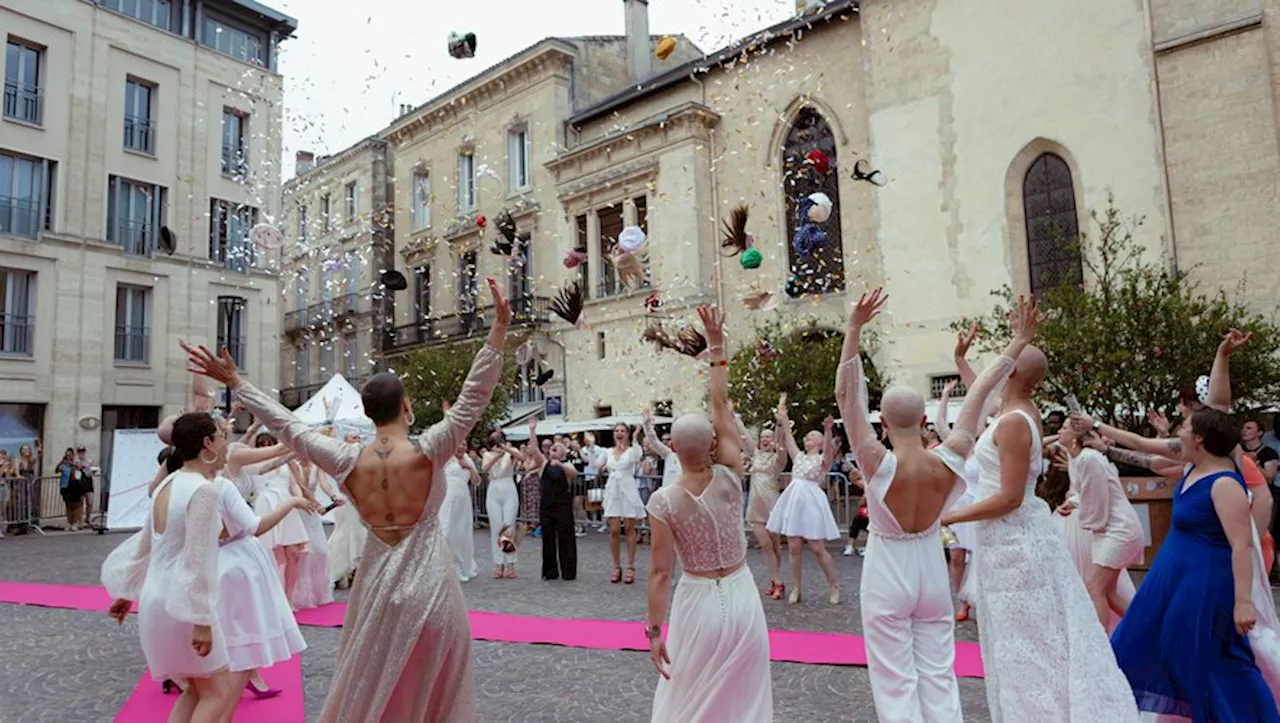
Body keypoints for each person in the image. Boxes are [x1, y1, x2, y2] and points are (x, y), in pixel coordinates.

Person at [182, 277, 510, 722]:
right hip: (432, 583)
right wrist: (497, 331)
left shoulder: (346, 459)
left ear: (368, 413)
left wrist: (238, 381)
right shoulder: (433, 447)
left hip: (376, 584)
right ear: (407, 406)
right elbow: (475, 396)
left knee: (379, 687)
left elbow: (289, 427)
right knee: (436, 690)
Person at [837, 288, 1039, 723]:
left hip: (888, 567)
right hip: (930, 563)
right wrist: (1017, 341)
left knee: (894, 676)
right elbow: (981, 396)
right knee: (939, 670)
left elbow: (846, 398)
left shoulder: (876, 461)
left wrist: (853, 329)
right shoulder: (951, 455)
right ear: (926, 421)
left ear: (884, 423)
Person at [941, 297, 1140, 722]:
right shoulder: (1012, 409)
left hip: (1016, 541)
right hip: (1006, 539)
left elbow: (1011, 497)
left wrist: (952, 515)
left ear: (1009, 372)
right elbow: (982, 392)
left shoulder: (1014, 420)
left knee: (1027, 640)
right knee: (1020, 637)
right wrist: (962, 361)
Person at [1110, 408, 1280, 721]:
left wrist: (1243, 602)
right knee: (1180, 649)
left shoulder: (1225, 483)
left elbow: (1241, 545)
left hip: (1206, 584)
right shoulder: (1191, 468)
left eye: (1185, 426)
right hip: (1178, 579)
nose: (1180, 432)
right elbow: (1144, 448)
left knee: (1216, 656)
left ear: (1199, 438)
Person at [646, 305, 771, 722]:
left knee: (691, 696)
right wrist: (716, 347)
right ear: (713, 443)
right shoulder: (731, 474)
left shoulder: (663, 501)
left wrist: (654, 631)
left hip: (697, 598)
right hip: (740, 593)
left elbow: (661, 573)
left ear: (674, 449)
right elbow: (721, 405)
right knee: (745, 695)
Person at [102, 413, 238, 723]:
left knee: (196, 689)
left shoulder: (167, 483)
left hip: (157, 598)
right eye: (221, 437)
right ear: (207, 444)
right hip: (184, 604)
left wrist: (126, 592)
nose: (226, 445)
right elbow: (197, 558)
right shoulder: (204, 490)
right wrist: (202, 618)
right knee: (218, 689)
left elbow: (145, 545)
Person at [1054, 423, 1144, 629]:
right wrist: (1073, 503)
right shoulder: (1079, 458)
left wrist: (1084, 520)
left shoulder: (1088, 458)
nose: (1060, 430)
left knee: (1094, 587)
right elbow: (1087, 491)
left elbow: (1098, 500)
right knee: (1109, 592)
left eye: (1065, 427)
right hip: (1110, 528)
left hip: (1118, 528)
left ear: (1077, 437)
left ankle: (1101, 647)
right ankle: (1145, 633)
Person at [765, 401, 841, 605]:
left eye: (810, 437)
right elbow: (788, 436)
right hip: (794, 500)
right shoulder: (798, 456)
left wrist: (827, 431)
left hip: (812, 501)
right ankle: (797, 587)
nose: (807, 439)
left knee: (817, 547)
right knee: (794, 546)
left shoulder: (822, 459)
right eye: (807, 437)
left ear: (817, 442)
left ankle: (833, 585)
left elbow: (829, 451)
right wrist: (782, 415)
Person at [739, 401, 787, 600]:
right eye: (762, 437)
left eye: (768, 437)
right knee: (765, 544)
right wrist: (735, 417)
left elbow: (782, 442)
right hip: (755, 504)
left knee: (774, 545)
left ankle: (775, 579)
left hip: (771, 502)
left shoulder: (778, 459)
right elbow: (745, 438)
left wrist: (780, 424)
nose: (765, 440)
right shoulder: (756, 456)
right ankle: (777, 581)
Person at [527, 417, 578, 581]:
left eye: (556, 449)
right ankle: (550, 571)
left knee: (566, 538)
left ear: (563, 454)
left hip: (563, 506)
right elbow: (534, 450)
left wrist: (560, 464)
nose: (552, 451)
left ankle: (568, 571)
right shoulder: (543, 464)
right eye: (552, 449)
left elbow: (573, 473)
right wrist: (532, 431)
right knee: (548, 539)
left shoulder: (567, 466)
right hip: (547, 506)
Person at [603, 422, 645, 584]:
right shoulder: (608, 452)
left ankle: (631, 565)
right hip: (613, 490)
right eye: (616, 431)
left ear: (627, 433)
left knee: (629, 527)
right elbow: (597, 462)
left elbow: (636, 458)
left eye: (622, 431)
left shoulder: (632, 450)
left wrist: (635, 439)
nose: (619, 433)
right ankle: (616, 565)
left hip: (628, 489)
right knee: (614, 529)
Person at [482, 432, 527, 579]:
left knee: (509, 526)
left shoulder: (510, 453)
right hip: (494, 487)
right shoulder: (487, 454)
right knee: (496, 527)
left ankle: (510, 564)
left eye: (499, 439)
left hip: (508, 486)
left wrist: (506, 450)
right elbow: (485, 469)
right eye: (494, 440)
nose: (497, 443)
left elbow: (522, 457)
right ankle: (498, 564)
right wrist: (497, 455)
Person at [328, 432, 368, 590]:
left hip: (361, 500)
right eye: (353, 438)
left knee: (361, 533)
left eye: (359, 437)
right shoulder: (342, 458)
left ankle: (359, 570)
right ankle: (341, 570)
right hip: (347, 500)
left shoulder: (364, 459)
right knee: (345, 533)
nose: (357, 440)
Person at [441, 437, 481, 583]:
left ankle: (462, 566)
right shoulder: (446, 458)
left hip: (463, 499)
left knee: (461, 533)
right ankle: (448, 567)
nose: (461, 447)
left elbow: (477, 481)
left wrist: (469, 467)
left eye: (464, 444)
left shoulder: (468, 459)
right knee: (446, 532)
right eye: (459, 444)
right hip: (447, 498)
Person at [642, 409, 682, 488]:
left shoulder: (694, 456)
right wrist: (647, 425)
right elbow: (653, 440)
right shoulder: (669, 454)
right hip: (668, 497)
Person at [1243, 419, 1279, 485]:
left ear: (1259, 433)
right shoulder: (1238, 449)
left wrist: (1255, 464)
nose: (1244, 430)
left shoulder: (1269, 453)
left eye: (1249, 428)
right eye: (1243, 428)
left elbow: (1269, 480)